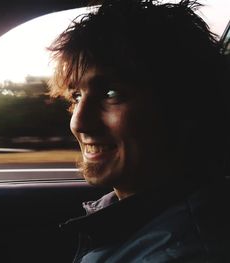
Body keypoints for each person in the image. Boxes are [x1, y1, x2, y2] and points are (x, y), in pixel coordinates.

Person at [48, 0, 230, 262]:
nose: (79, 123)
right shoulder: (136, 216)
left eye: (111, 93)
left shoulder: (182, 253)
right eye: (76, 96)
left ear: (182, 107)